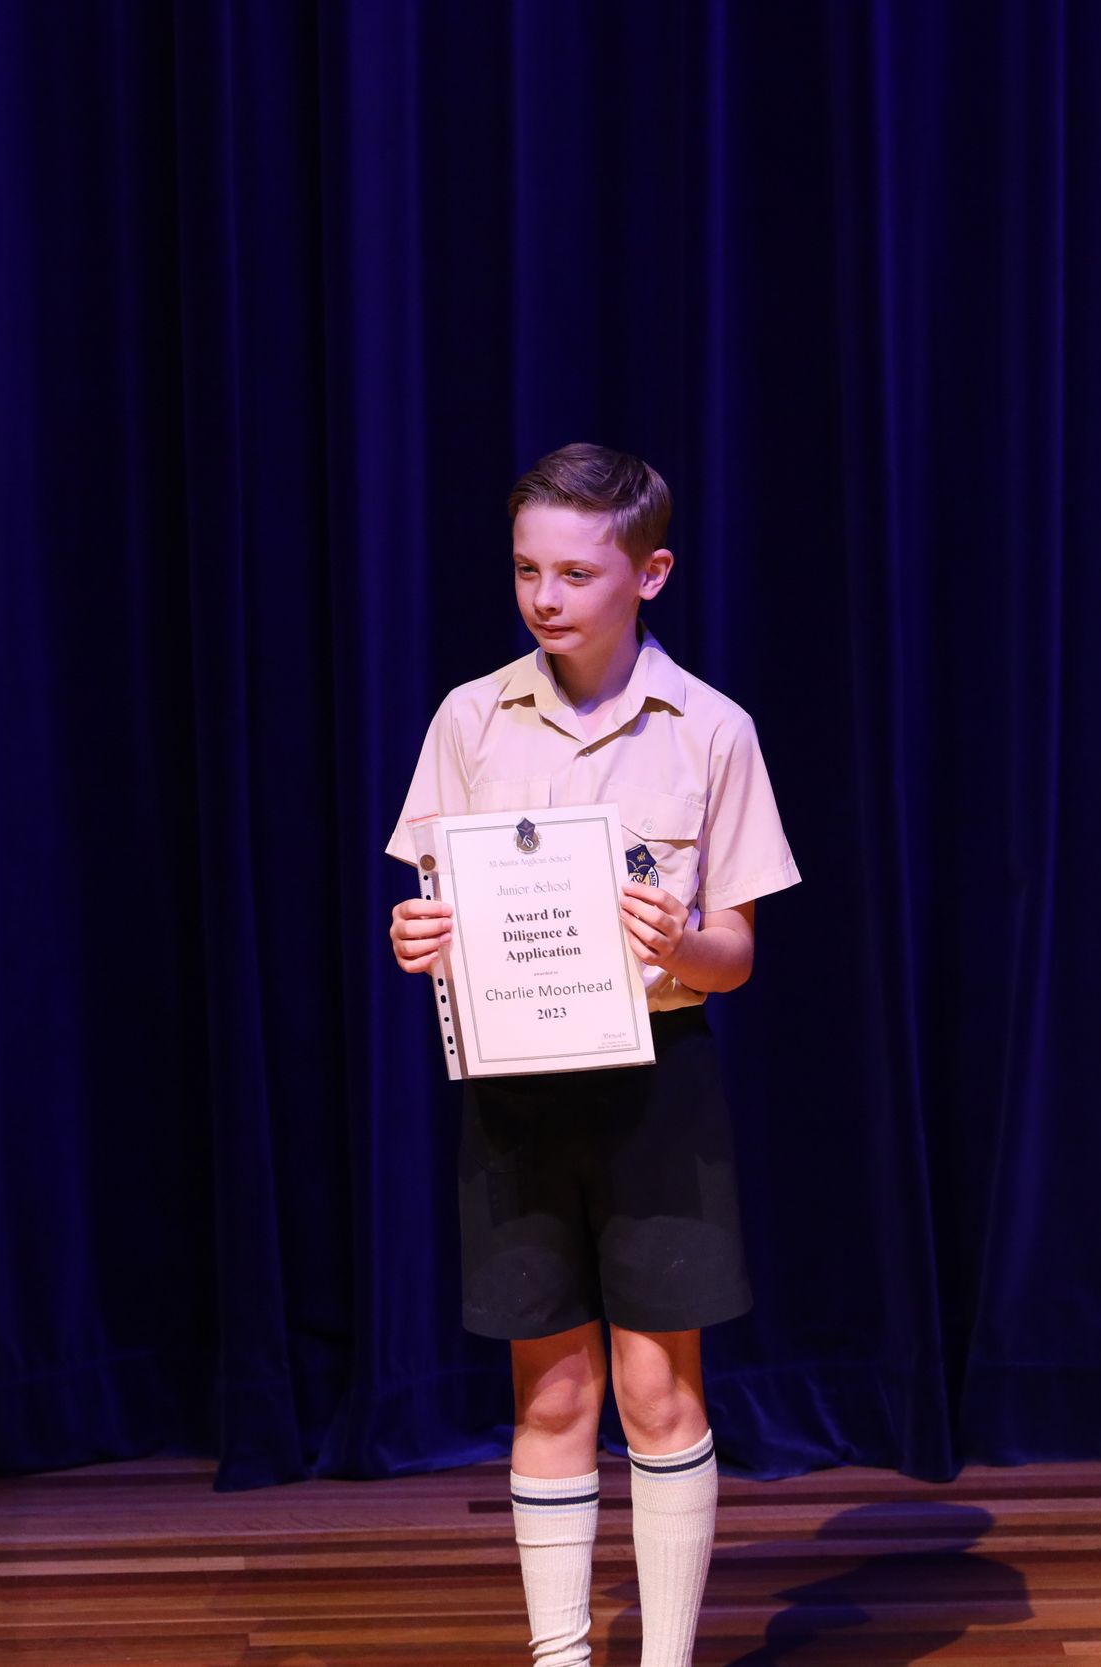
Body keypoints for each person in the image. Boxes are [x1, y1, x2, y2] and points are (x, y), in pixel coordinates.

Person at [384, 442, 801, 1667]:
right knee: (553, 1387)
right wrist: (416, 934)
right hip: (516, 1092)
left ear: (648, 574)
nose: (544, 596)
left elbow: (735, 952)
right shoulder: (470, 718)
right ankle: (559, 1656)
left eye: (575, 572)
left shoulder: (710, 728)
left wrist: (683, 937)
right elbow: (432, 902)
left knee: (657, 1388)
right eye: (527, 568)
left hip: (658, 1085)